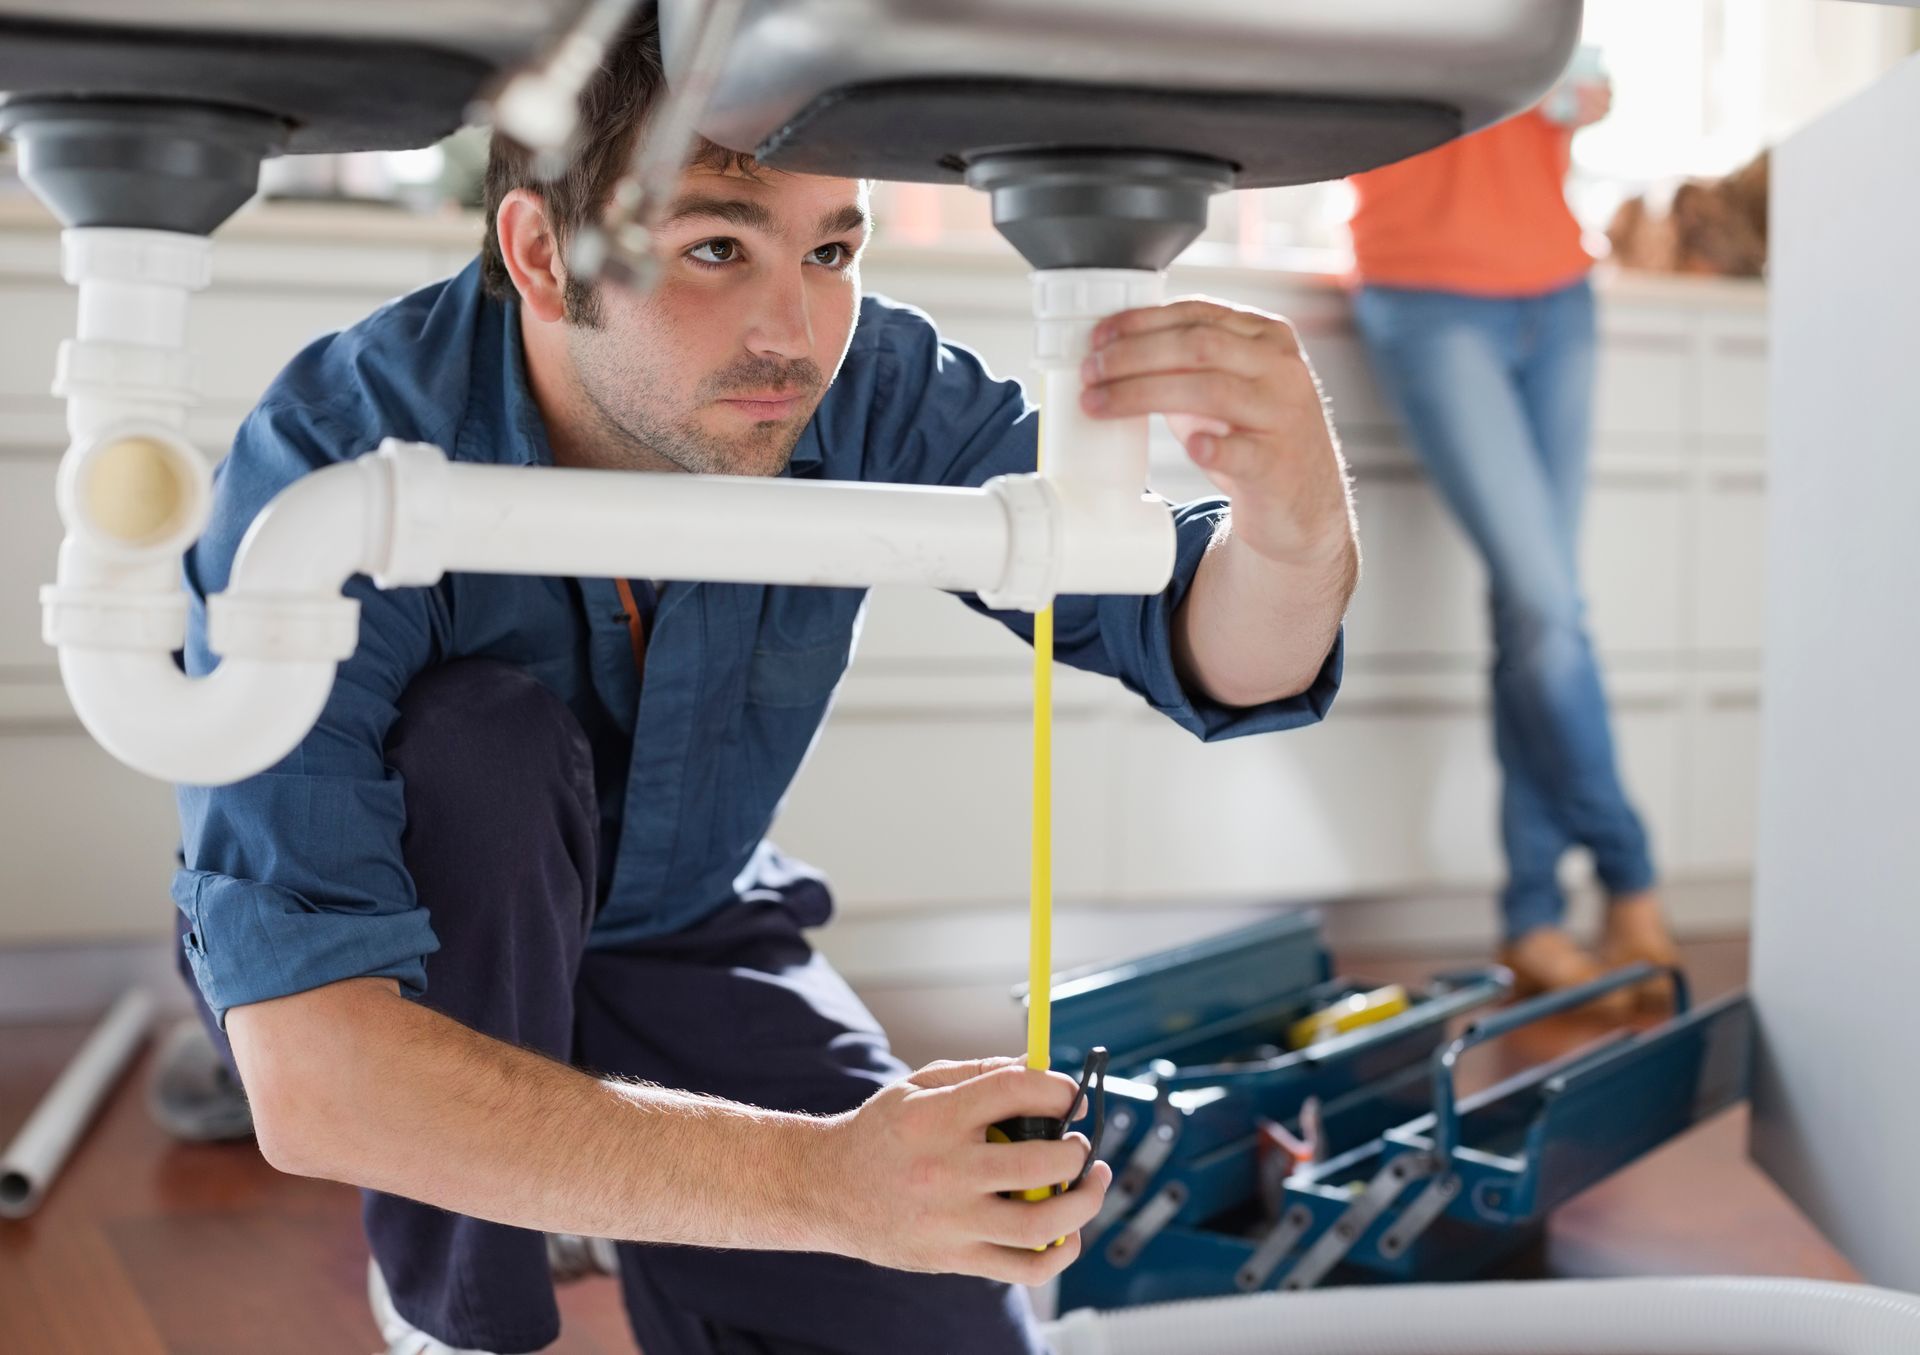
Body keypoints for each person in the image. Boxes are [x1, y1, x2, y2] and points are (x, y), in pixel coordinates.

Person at [170, 19, 1359, 1355]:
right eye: (717, 247)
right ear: (542, 253)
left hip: (684, 922)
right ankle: (452, 1303)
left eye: (832, 250)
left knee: (959, 1328)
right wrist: (816, 1181)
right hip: (422, 944)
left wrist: (1298, 530)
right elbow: (315, 1074)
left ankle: (590, 1156)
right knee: (483, 747)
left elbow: (1207, 639)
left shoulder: (864, 382)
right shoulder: (334, 455)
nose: (793, 329)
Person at [1346, 62, 1678, 1012]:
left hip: (1560, 293)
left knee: (1532, 618)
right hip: (1428, 291)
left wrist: (1568, 83)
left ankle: (1534, 918)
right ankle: (1632, 877)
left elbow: (1590, 94)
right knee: (1546, 606)